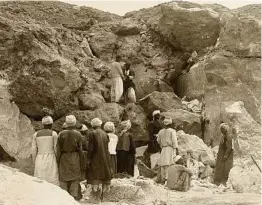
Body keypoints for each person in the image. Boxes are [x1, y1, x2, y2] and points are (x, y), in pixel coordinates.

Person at [57, 115, 83, 200]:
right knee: (75, 177)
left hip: (64, 157)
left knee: (63, 177)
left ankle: (64, 197)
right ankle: (73, 197)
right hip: (74, 157)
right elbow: (80, 149)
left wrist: (57, 161)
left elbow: (58, 149)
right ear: (74, 123)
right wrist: (82, 161)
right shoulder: (78, 134)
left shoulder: (61, 134)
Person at [86, 118, 112, 202]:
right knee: (104, 175)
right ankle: (103, 197)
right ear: (100, 125)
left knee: (95, 177)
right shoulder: (105, 134)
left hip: (95, 158)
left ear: (92, 125)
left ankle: (96, 198)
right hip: (105, 158)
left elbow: (91, 148)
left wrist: (88, 159)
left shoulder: (92, 133)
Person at [32, 116, 59, 186]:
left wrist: (34, 160)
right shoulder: (54, 134)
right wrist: (57, 159)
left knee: (39, 179)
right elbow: (56, 148)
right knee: (52, 179)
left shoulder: (36, 134)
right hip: (51, 158)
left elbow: (34, 149)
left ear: (43, 124)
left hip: (39, 158)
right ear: (51, 124)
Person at [156, 116, 178, 184]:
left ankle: (163, 179)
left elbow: (158, 141)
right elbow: (174, 141)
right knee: (169, 164)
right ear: (170, 124)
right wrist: (176, 148)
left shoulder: (160, 131)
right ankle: (168, 180)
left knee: (163, 164)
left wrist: (162, 146)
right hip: (170, 148)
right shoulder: (172, 131)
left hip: (163, 149)